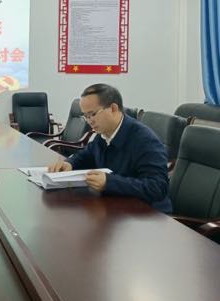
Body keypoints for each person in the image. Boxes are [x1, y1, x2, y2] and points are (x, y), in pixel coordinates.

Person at [47, 83, 172, 213]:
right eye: (86, 116)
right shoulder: (104, 132)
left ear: (113, 108)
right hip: (118, 206)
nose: (89, 121)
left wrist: (109, 183)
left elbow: (157, 187)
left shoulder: (145, 140)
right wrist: (70, 164)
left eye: (93, 114)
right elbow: (88, 155)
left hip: (148, 214)